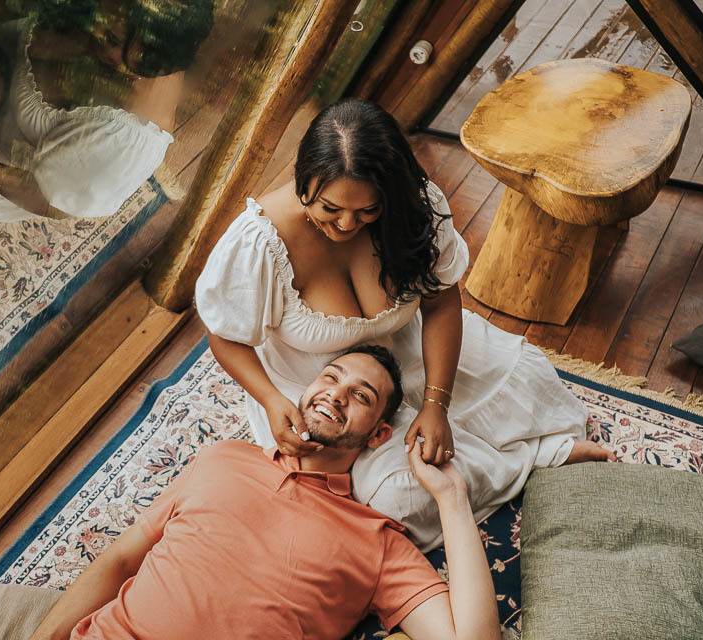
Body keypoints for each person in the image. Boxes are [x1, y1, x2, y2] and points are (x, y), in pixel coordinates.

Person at [194, 98, 615, 551]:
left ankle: (515, 451)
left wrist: (436, 402)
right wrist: (271, 398)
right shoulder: (259, 242)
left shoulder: (415, 207)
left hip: (411, 355)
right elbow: (223, 335)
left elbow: (440, 302)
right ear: (303, 180)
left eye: (367, 211)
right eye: (330, 207)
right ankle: (531, 459)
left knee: (530, 380)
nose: (347, 224)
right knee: (397, 497)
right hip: (327, 394)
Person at [30, 347, 500, 640]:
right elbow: (119, 560)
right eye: (331, 377)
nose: (335, 395)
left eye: (361, 396)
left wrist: (451, 497)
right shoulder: (223, 457)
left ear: (378, 435)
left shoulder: (377, 542)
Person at [0, 0, 214, 222]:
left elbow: (47, 201)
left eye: (112, 40)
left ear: (140, 65)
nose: (94, 28)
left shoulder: (122, 139)